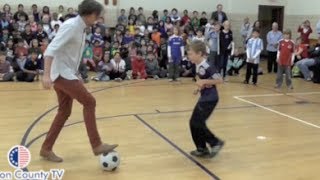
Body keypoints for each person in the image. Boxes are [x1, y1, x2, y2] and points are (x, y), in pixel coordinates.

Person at [41, 0, 118, 163]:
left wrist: (76, 73)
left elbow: (69, 54)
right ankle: (96, 145)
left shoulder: (82, 27)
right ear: (90, 15)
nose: (98, 20)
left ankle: (45, 149)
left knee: (64, 112)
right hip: (61, 74)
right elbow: (50, 49)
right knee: (89, 102)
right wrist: (46, 75)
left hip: (67, 73)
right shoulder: (71, 26)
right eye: (97, 16)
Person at [187, 40, 224, 158]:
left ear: (199, 53)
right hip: (205, 97)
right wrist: (199, 87)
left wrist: (204, 81)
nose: (189, 56)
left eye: (191, 54)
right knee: (194, 123)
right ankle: (201, 148)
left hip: (211, 98)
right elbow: (202, 78)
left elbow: (219, 80)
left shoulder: (207, 65)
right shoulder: (197, 64)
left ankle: (215, 142)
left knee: (196, 122)